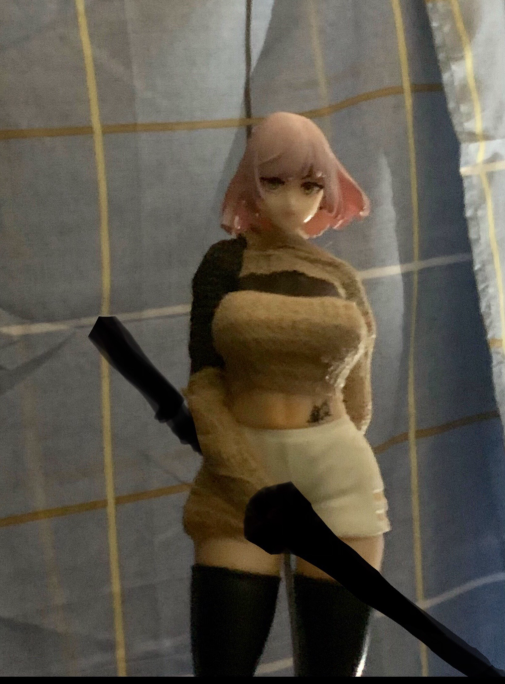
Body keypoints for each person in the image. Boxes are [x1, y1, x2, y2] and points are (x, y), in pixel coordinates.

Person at [182, 111, 390, 677]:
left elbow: (358, 394)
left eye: (310, 184)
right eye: (273, 182)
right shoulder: (224, 264)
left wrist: (324, 455)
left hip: (339, 479)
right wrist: (248, 483)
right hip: (238, 485)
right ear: (250, 183)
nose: (293, 200)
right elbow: (205, 385)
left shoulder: (341, 278)